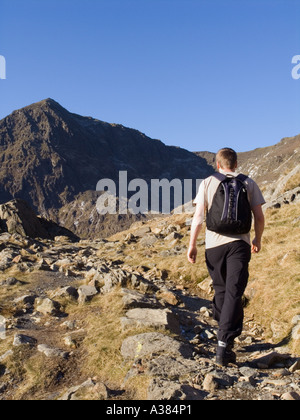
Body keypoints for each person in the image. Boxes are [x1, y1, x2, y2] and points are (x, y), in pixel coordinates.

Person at [187, 148, 265, 366]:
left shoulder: (208, 182)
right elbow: (259, 217)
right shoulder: (248, 183)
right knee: (234, 291)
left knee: (222, 289)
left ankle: (224, 335)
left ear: (218, 165)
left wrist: (192, 245)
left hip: (214, 247)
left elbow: (199, 218)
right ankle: (225, 343)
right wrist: (257, 239)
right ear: (236, 164)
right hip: (239, 244)